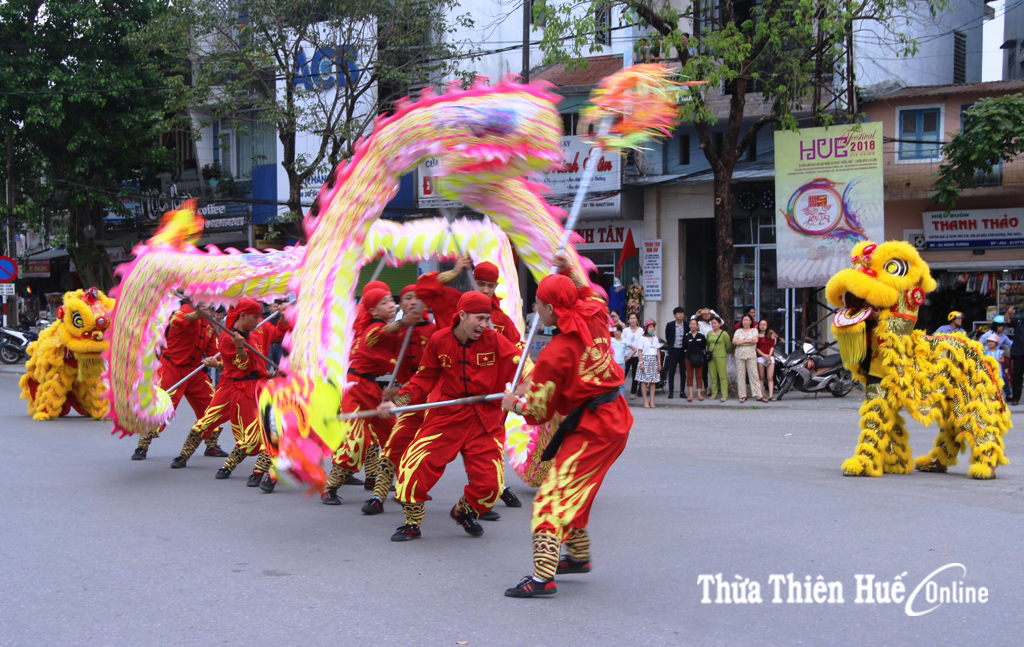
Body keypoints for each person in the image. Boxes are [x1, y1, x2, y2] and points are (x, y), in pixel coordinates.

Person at [500, 267, 631, 598]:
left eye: (538, 305)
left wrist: (513, 404)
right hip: (612, 416)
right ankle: (578, 556)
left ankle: (543, 578)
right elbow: (586, 292)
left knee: (550, 500)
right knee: (573, 488)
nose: (535, 311)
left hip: (594, 428)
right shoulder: (595, 313)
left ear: (550, 310)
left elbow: (539, 412)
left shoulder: (554, 354)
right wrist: (567, 270)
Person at [379, 291, 522, 542]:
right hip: (447, 415)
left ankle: (463, 510)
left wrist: (523, 390)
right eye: (479, 318)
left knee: (491, 485)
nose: (483, 324)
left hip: (484, 420)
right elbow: (423, 378)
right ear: (462, 316)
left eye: (487, 318)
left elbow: (522, 369)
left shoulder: (496, 342)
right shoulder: (439, 340)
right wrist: (397, 402)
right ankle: (412, 523)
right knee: (415, 466)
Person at [169, 298, 289, 489]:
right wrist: (237, 349)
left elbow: (278, 332)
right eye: (255, 316)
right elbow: (241, 366)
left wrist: (283, 316)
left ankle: (243, 469)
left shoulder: (260, 329)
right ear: (243, 315)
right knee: (207, 420)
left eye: (260, 316)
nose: (259, 320)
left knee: (259, 431)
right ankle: (184, 455)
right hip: (229, 385)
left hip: (255, 386)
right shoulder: (227, 337)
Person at [322, 285, 410, 504]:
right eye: (384, 302)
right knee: (357, 441)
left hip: (374, 391)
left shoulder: (384, 327)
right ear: (371, 311)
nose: (391, 305)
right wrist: (404, 322)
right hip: (356, 389)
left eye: (392, 300)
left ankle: (404, 487)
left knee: (397, 437)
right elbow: (382, 334)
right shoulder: (372, 331)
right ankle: (329, 487)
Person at [132, 300, 228, 460]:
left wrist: (222, 361)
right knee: (161, 406)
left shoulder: (210, 326)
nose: (211, 309)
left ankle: (212, 444)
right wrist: (195, 315)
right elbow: (177, 321)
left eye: (212, 306)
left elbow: (214, 352)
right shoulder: (184, 310)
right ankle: (143, 445)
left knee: (211, 405)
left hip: (195, 371)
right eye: (208, 306)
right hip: (172, 368)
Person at [733, 314, 762, 403]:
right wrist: (747, 341)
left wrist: (741, 341)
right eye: (744, 320)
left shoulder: (754, 330)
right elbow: (734, 341)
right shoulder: (738, 331)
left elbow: (755, 341)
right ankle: (742, 395)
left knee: (754, 374)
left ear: (750, 322)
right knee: (740, 375)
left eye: (747, 320)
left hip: (751, 354)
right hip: (739, 355)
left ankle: (758, 394)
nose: (745, 322)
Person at [705, 317, 731, 401]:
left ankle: (724, 394)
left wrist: (723, 352)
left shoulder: (724, 334)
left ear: (719, 324)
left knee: (722, 376)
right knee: (713, 376)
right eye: (712, 323)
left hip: (721, 356)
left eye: (715, 323)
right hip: (711, 357)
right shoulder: (709, 333)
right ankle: (714, 393)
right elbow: (708, 344)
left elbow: (728, 345)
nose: (713, 325)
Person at [637, 319, 661, 408]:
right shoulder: (642, 338)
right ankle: (645, 400)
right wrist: (641, 363)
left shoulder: (655, 338)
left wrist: (659, 362)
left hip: (653, 360)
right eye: (650, 327)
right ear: (646, 328)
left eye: (653, 327)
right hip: (645, 359)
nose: (652, 329)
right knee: (644, 381)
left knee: (653, 381)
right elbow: (639, 351)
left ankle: (652, 400)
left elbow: (658, 351)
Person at [664, 307, 687, 399]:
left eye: (681, 313)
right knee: (671, 372)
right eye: (678, 313)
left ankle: (682, 391)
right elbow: (668, 337)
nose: (680, 315)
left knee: (683, 372)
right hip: (673, 350)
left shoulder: (687, 325)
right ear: (674, 315)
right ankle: (671, 392)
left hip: (683, 351)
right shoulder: (670, 325)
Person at [682, 318, 707, 402]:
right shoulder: (686, 336)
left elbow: (704, 346)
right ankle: (691, 394)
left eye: (694, 324)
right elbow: (684, 346)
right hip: (689, 357)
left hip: (699, 358)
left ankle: (699, 394)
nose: (692, 326)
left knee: (699, 376)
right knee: (689, 376)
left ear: (697, 326)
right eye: (691, 324)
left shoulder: (701, 336)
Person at [620, 313, 643, 399]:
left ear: (637, 320)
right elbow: (622, 341)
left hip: (637, 355)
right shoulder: (625, 331)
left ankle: (633, 392)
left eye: (634, 318)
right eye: (631, 318)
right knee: (623, 373)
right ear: (628, 320)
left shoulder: (641, 331)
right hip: (627, 355)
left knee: (635, 374)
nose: (633, 320)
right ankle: (619, 390)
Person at [756, 319, 779, 401]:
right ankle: (762, 394)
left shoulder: (770, 334)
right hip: (760, 357)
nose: (762, 326)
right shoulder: (757, 335)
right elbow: (756, 348)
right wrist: (764, 355)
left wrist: (769, 355)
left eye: (764, 324)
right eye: (761, 324)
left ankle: (771, 395)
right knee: (761, 377)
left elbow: (772, 346)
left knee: (770, 377)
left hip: (770, 357)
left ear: (767, 325)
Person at [1006, 306, 1024, 405]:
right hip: (1019, 352)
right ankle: (1015, 398)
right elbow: (1007, 320)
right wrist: (1008, 312)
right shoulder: (1018, 321)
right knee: (1017, 376)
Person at [610, 324, 628, 398]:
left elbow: (634, 349)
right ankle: (613, 399)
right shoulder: (611, 340)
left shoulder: (625, 341)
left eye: (618, 331)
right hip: (612, 364)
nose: (616, 333)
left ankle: (622, 398)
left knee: (621, 383)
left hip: (621, 364)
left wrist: (628, 357)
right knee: (612, 382)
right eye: (615, 331)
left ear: (621, 332)